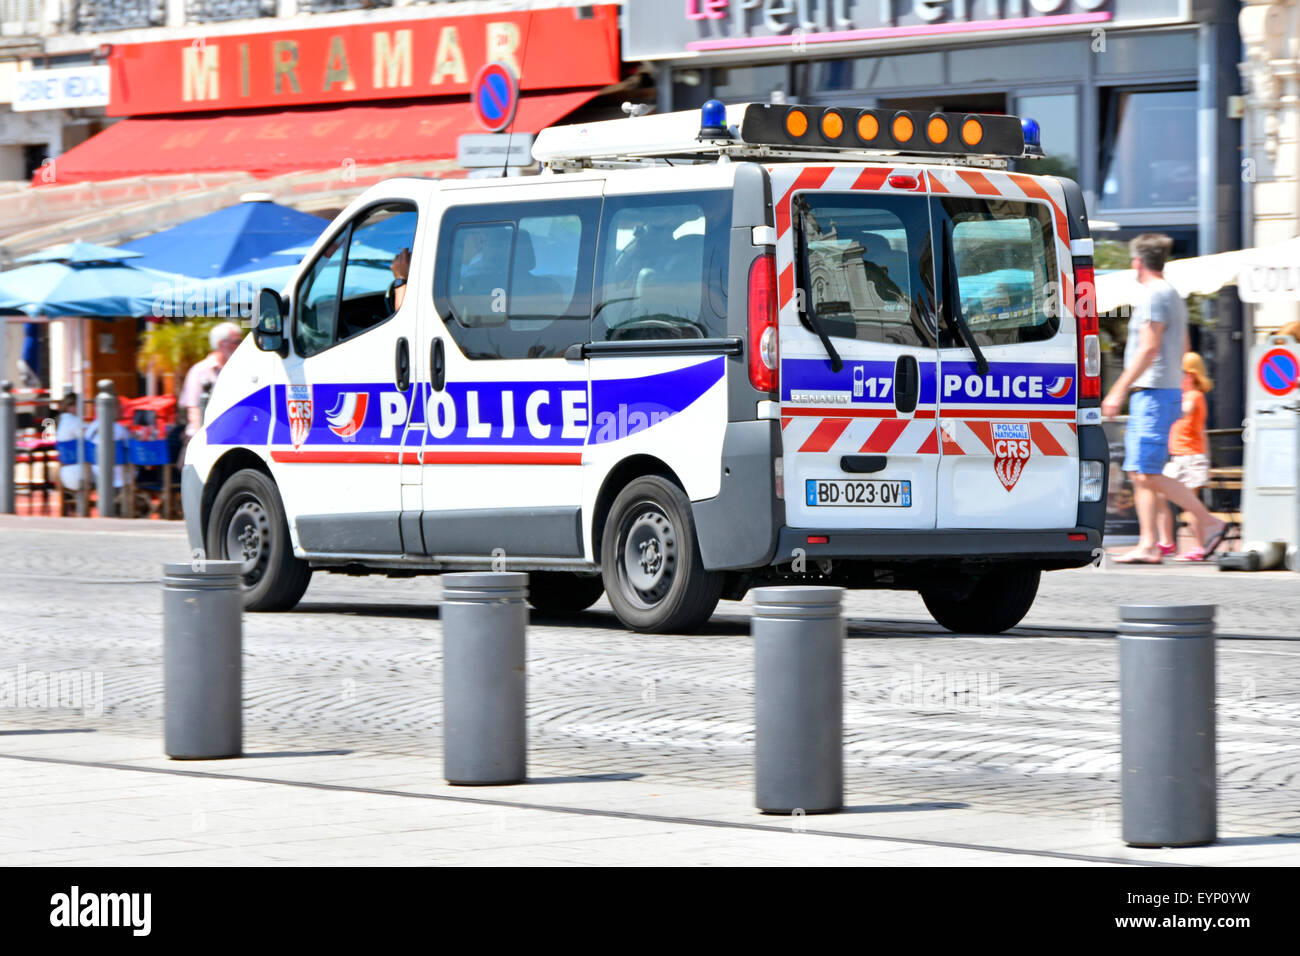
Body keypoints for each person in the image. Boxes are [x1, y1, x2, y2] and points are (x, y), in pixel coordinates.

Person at [1101, 234, 1225, 564]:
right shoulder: (1172, 295)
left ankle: (1209, 522)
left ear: (1137, 263)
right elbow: (1183, 348)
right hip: (1161, 391)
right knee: (1140, 470)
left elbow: (1150, 347)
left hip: (1153, 393)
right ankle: (1149, 544)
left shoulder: (1156, 295)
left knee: (1145, 472)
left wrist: (1118, 389)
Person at [1155, 352, 1215, 560]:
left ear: (1192, 375)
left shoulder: (1194, 396)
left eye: (1181, 374)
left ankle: (1199, 547)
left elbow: (1184, 411)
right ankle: (1166, 543)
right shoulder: (1182, 395)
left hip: (1191, 457)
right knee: (1160, 496)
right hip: (1178, 457)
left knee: (1190, 503)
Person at [180, 322, 242, 439]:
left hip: (229, 437)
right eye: (237, 342)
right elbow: (194, 409)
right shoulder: (200, 370)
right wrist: (202, 438)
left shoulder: (237, 369)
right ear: (221, 344)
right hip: (204, 438)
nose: (239, 346)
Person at [57, 393, 129, 492]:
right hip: (80, 474)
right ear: (71, 407)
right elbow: (93, 436)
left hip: (66, 473)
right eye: (81, 405)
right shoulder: (74, 422)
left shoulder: (63, 421)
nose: (84, 408)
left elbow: (91, 434)